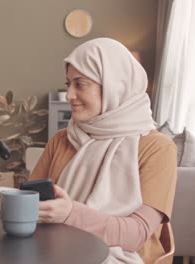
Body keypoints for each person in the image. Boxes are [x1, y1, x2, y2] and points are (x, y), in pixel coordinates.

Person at [29, 38, 177, 263]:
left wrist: (70, 214)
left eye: (80, 84)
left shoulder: (158, 148)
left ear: (114, 86)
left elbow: (135, 235)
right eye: (68, 83)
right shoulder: (61, 139)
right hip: (55, 252)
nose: (69, 95)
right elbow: (30, 203)